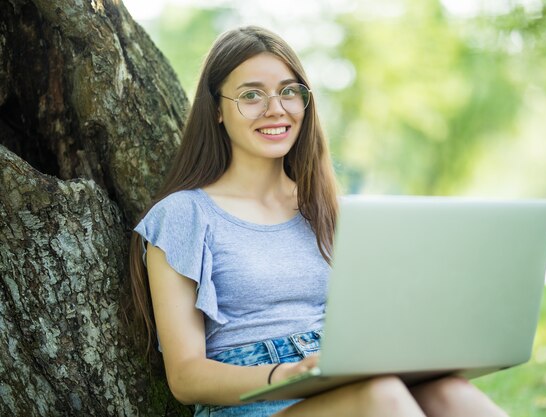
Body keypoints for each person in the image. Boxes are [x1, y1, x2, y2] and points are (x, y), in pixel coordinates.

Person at [129, 25, 509, 417]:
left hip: (340, 377)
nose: (275, 108)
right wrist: (289, 373)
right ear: (217, 111)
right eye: (251, 95)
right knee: (381, 397)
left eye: (289, 91)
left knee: (450, 392)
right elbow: (186, 378)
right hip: (254, 401)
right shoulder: (183, 215)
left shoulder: (327, 209)